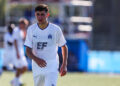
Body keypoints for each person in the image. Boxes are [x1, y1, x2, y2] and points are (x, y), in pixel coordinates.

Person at [24, 4, 68, 86]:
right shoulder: (31, 29)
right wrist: (36, 59)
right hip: (37, 66)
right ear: (35, 15)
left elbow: (64, 46)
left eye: (42, 14)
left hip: (52, 65)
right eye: (38, 14)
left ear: (47, 15)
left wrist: (64, 64)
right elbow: (28, 51)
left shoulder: (55, 29)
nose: (40, 17)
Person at [11, 18, 29, 86]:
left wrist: (25, 31)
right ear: (21, 24)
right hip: (16, 52)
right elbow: (15, 41)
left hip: (20, 51)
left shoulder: (21, 31)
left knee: (25, 67)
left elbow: (24, 39)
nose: (25, 26)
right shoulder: (16, 30)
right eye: (24, 25)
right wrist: (17, 52)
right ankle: (16, 83)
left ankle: (15, 80)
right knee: (18, 67)